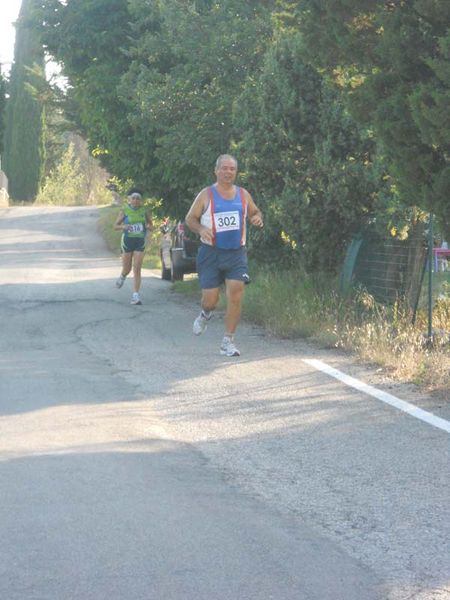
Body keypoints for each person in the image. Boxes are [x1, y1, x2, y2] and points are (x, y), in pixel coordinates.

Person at [185, 154, 263, 357]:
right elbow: (190, 219)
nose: (228, 172)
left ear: (236, 172)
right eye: (224, 168)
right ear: (216, 171)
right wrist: (201, 229)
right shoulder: (206, 194)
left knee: (236, 294)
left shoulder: (243, 195)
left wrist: (256, 218)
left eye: (232, 169)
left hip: (236, 253)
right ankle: (205, 314)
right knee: (211, 300)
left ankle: (228, 341)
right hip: (210, 253)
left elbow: (256, 212)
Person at [114, 188, 152, 305]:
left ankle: (135, 296)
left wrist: (148, 226)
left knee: (137, 268)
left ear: (141, 201)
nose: (136, 200)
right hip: (127, 241)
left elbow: (150, 225)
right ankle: (122, 276)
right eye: (134, 198)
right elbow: (115, 226)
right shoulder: (124, 210)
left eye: (138, 199)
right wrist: (123, 227)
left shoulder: (144, 211)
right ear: (130, 199)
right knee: (127, 268)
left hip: (139, 241)